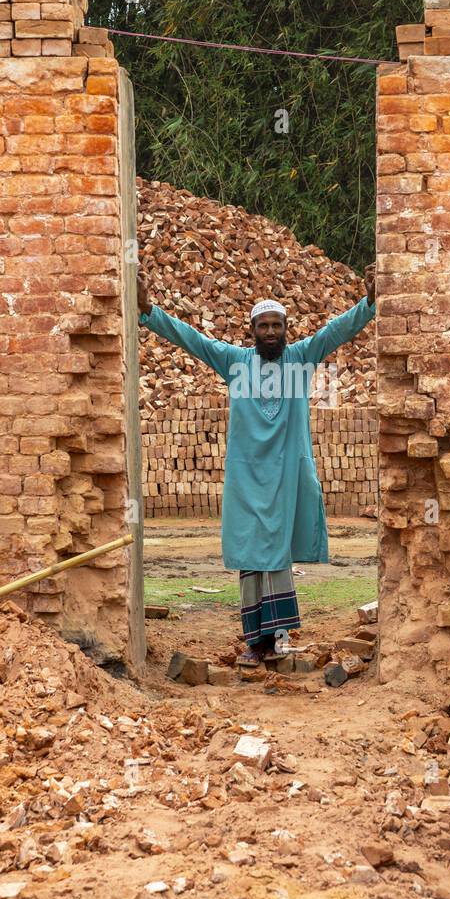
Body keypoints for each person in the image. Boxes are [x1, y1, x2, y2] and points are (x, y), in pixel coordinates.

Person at [136, 265, 376, 665]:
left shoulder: (302, 357)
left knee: (277, 554)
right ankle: (255, 641)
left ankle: (279, 636)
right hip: (246, 479)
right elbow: (192, 340)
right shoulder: (234, 362)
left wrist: (370, 303)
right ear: (252, 331)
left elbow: (336, 331)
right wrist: (149, 311)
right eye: (262, 326)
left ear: (286, 328)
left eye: (276, 325)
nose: (269, 332)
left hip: (285, 476)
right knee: (251, 554)